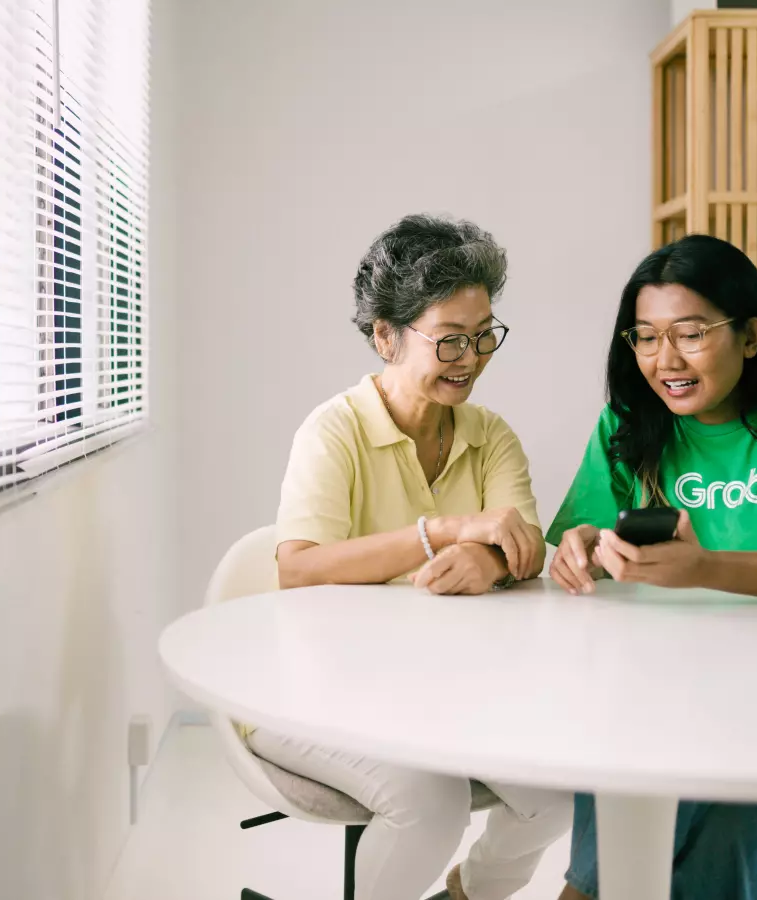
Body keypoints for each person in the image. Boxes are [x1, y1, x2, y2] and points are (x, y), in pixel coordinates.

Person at [246, 214, 573, 900]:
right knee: (432, 807)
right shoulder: (333, 431)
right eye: (450, 339)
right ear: (385, 336)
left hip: (442, 689)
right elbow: (298, 567)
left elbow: (528, 545)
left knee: (561, 791)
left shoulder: (491, 436)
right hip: (309, 691)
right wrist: (446, 530)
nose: (473, 356)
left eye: (485, 335)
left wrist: (491, 561)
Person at [546, 233, 757, 900]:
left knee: (684, 766)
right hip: (679, 700)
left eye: (689, 333)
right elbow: (579, 535)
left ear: (750, 335)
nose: (665, 360)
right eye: (645, 337)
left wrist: (707, 568)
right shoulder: (629, 425)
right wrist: (578, 551)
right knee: (716, 796)